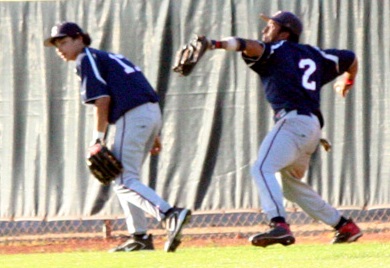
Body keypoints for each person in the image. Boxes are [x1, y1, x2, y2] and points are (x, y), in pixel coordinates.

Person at [202, 11, 362, 247]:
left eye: (271, 26)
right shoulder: (314, 54)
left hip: (294, 122)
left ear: (284, 33)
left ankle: (279, 225)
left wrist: (215, 44)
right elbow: (350, 58)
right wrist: (348, 80)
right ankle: (344, 226)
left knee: (261, 168)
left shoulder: (278, 49)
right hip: (311, 129)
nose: (265, 30)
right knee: (290, 186)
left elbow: (249, 46)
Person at [44, 22, 191, 252]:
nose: (59, 48)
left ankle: (169, 213)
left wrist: (97, 138)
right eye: (56, 44)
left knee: (123, 181)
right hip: (148, 113)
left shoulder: (86, 58)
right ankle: (140, 237)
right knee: (121, 177)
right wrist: (153, 132)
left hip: (132, 116)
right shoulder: (108, 57)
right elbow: (137, 88)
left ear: (80, 39)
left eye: (63, 42)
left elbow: (103, 100)